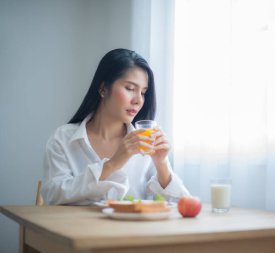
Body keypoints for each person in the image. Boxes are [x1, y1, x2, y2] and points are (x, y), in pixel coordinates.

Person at [42, 48, 190, 205]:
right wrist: (112, 164)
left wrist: (161, 163)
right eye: (130, 89)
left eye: (143, 92)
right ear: (103, 88)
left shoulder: (146, 146)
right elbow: (53, 195)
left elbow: (183, 205)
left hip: (132, 230)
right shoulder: (63, 139)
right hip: (78, 229)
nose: (138, 100)